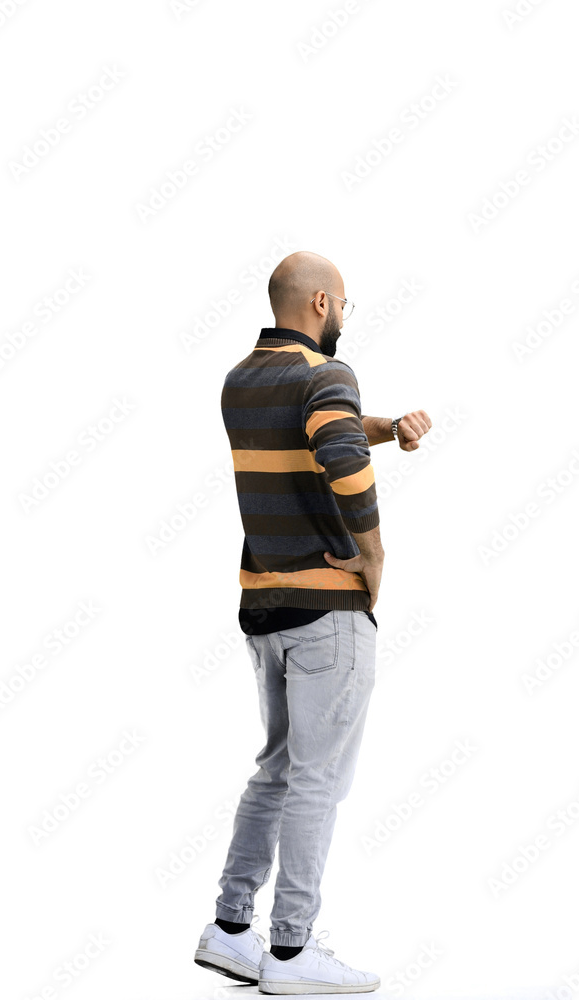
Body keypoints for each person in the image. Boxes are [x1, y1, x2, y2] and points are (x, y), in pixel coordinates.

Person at [194, 251, 431, 994]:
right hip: (327, 609)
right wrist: (375, 558)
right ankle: (292, 953)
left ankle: (231, 930)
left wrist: (387, 426)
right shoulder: (328, 373)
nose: (341, 319)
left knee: (278, 770)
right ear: (322, 303)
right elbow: (342, 461)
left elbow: (316, 428)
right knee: (316, 782)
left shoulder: (242, 378)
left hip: (262, 607)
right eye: (343, 306)